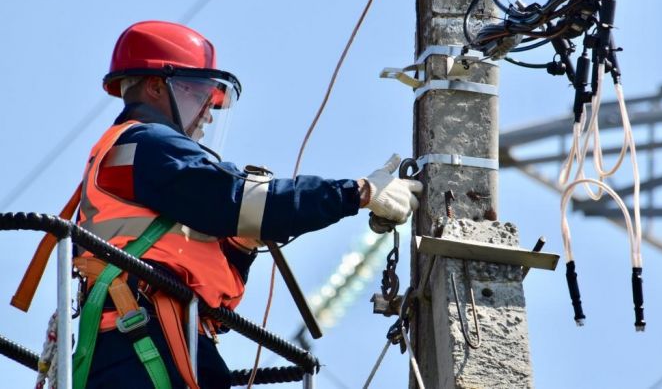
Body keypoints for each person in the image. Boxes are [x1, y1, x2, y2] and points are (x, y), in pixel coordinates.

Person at [74, 20, 422, 389]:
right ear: (157, 86)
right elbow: (238, 201)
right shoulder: (148, 143)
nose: (208, 112)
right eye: (198, 93)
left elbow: (215, 294)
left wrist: (241, 247)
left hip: (158, 336)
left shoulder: (142, 162)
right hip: (142, 345)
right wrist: (357, 192)